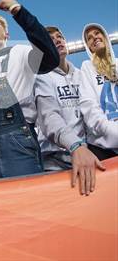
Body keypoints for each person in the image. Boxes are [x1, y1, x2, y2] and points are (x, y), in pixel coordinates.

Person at [0, 0, 59, 180]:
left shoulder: (20, 53)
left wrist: (17, 10)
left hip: (17, 144)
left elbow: (50, 59)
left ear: (7, 34)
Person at [35, 26, 105, 195]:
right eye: (51, 39)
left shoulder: (82, 75)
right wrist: (75, 145)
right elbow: (50, 118)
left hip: (88, 156)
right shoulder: (41, 77)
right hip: (55, 161)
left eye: (60, 37)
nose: (57, 40)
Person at [80, 23, 118, 159]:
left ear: (105, 37)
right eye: (89, 38)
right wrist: (112, 131)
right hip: (103, 147)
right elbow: (89, 106)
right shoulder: (87, 67)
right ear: (88, 46)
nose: (94, 38)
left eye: (97, 33)